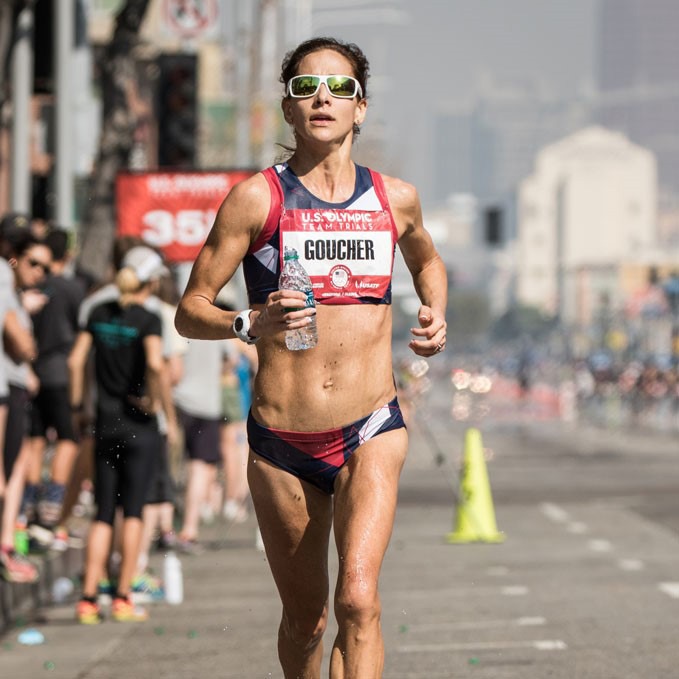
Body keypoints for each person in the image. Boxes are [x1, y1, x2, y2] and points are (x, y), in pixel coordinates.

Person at [175, 37, 447, 678]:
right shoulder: (256, 200)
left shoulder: (394, 200)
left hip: (370, 427)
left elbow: (428, 259)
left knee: (358, 598)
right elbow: (191, 310)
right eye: (305, 88)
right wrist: (249, 321)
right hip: (282, 441)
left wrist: (435, 311)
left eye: (339, 88)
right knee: (307, 622)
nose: (322, 97)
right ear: (288, 110)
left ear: (361, 109)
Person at [68, 245, 179, 624]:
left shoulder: (99, 313)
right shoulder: (148, 319)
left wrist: (79, 406)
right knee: (133, 511)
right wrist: (159, 405)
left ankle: (87, 598)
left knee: (102, 512)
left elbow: (76, 360)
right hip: (139, 426)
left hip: (104, 422)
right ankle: (122, 596)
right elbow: (154, 363)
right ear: (150, 282)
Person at [24, 228, 86, 544]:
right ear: (69, 254)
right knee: (67, 440)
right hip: (60, 374)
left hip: (32, 372)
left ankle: (29, 504)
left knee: (34, 439)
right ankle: (50, 509)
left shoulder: (35, 284)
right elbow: (80, 335)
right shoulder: (73, 290)